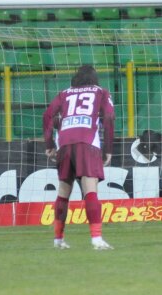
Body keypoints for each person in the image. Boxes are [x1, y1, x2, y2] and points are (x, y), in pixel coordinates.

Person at [42, 64, 115, 250]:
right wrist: (108, 148)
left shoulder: (64, 93)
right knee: (90, 190)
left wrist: (50, 145)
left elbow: (48, 115)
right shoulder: (101, 92)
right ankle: (96, 239)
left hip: (65, 142)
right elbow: (108, 116)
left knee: (63, 192)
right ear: (94, 78)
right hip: (87, 142)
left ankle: (58, 239)